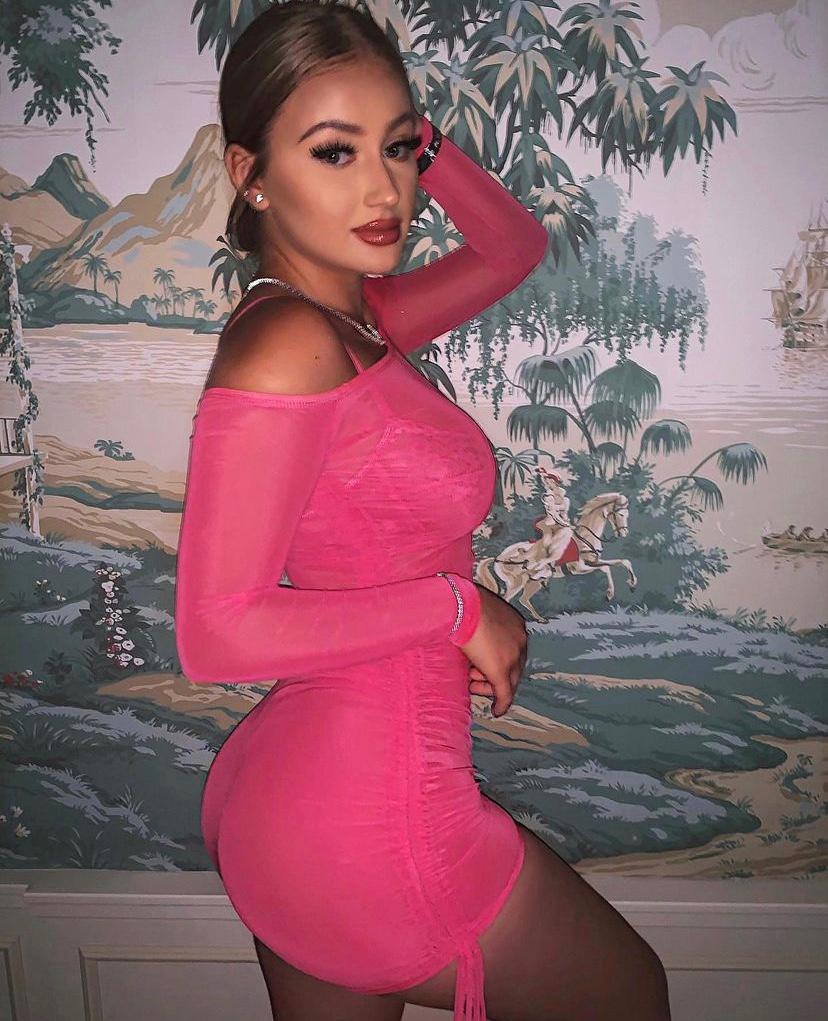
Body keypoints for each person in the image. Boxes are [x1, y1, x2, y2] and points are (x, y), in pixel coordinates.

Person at [174, 3, 671, 1020]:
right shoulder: (288, 346)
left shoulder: (356, 322)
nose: (383, 189)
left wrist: (422, 134)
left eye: (395, 150)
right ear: (250, 174)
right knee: (629, 994)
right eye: (334, 151)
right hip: (367, 813)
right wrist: (457, 610)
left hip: (303, 795)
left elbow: (514, 246)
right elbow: (215, 633)